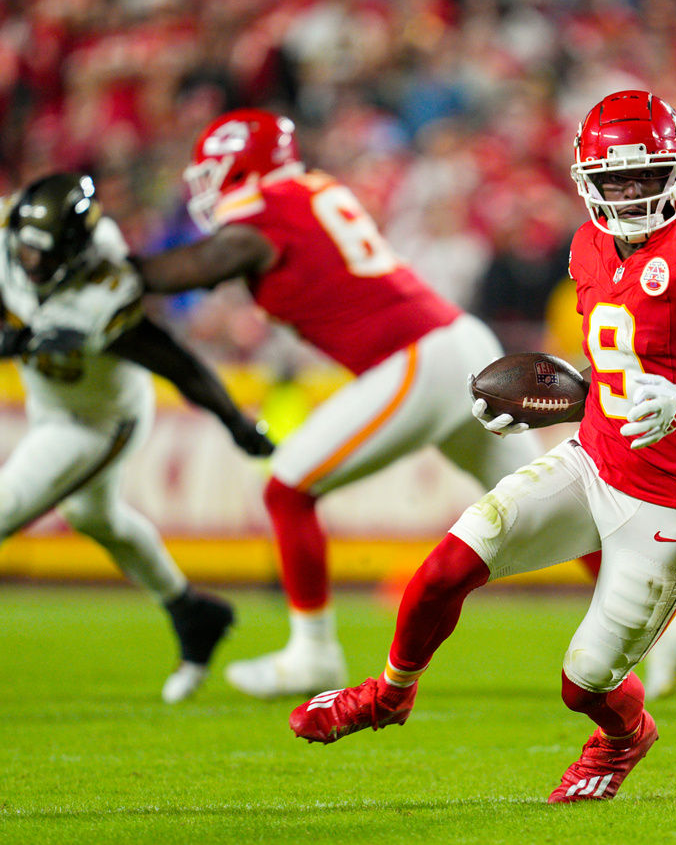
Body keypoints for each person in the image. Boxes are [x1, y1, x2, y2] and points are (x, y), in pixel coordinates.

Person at [288, 90, 676, 802]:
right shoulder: (588, 247)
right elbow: (623, 373)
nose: (629, 190)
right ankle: (389, 694)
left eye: (644, 175)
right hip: (594, 462)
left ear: (675, 172)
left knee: (584, 679)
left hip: (671, 503)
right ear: (587, 178)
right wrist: (553, 400)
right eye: (614, 178)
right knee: (445, 567)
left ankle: (624, 735)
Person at [136, 109, 545, 700]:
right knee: (537, 498)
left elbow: (197, 267)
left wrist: (116, 270)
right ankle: (668, 622)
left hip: (417, 357)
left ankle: (313, 654)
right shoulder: (304, 191)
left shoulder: (266, 207)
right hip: (457, 342)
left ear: (238, 164)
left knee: (288, 487)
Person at [0, 172, 274, 702]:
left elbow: (177, 363)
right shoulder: (12, 230)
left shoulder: (106, 285)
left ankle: (190, 611)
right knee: (93, 518)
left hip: (97, 419)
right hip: (51, 402)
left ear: (78, 250)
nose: (31, 265)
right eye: (25, 252)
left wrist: (236, 422)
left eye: (46, 256)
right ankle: (192, 612)